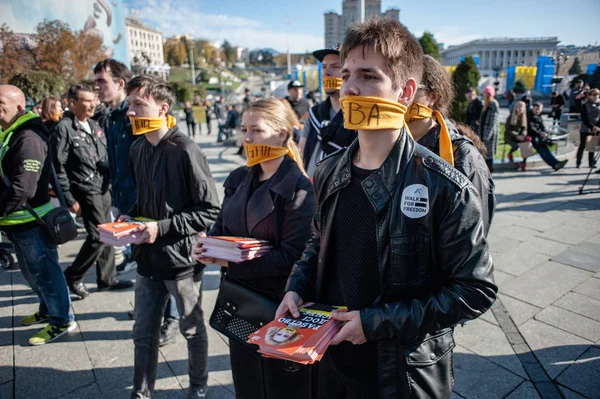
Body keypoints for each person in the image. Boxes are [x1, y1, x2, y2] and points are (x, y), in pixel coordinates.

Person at [277, 18, 496, 399]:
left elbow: (475, 290)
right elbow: (318, 239)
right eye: (345, 75)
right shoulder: (329, 170)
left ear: (405, 91)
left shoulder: (444, 184)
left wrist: (376, 323)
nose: (349, 88)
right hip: (329, 360)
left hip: (400, 376)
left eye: (367, 75)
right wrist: (296, 287)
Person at [192, 98, 316, 399]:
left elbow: (293, 257)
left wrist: (229, 262)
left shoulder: (300, 188)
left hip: (279, 306)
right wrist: (209, 246)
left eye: (256, 130)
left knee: (281, 389)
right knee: (247, 385)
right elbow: (222, 227)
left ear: (283, 135)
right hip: (239, 302)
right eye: (244, 129)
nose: (246, 138)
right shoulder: (237, 178)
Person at [123, 75, 221, 399]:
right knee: (143, 333)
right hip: (147, 259)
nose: (131, 111)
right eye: (129, 104)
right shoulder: (138, 148)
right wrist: (130, 219)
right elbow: (145, 200)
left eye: (139, 104)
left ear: (162, 108)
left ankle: (198, 387)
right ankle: (141, 393)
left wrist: (161, 228)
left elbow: (209, 210)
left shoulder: (186, 150)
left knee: (191, 330)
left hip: (180, 261)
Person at [94, 59, 177, 343]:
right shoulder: (113, 117)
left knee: (165, 259)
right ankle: (150, 306)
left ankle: (172, 317)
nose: (97, 87)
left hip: (146, 201)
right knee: (143, 259)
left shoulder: (135, 119)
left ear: (120, 83)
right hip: (125, 198)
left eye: (102, 81)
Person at [0, 85, 76, 345]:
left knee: (46, 272)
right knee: (32, 272)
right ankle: (47, 309)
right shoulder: (10, 133)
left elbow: (24, 187)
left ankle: (61, 320)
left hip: (31, 221)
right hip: (16, 221)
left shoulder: (29, 138)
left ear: (19, 107)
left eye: (0, 104)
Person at [52, 84, 130, 298]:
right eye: (88, 100)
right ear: (72, 103)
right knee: (98, 236)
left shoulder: (94, 124)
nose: (93, 103)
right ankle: (74, 275)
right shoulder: (64, 129)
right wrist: (68, 198)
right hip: (85, 190)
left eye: (93, 100)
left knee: (109, 233)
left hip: (103, 188)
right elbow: (57, 168)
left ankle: (107, 279)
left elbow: (101, 157)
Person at [406, 55, 495, 236]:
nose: (400, 95)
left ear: (433, 96)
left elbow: (474, 239)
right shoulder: (388, 145)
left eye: (408, 87)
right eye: (394, 85)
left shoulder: (464, 157)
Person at [299, 43, 357, 177]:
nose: (327, 72)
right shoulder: (314, 113)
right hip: (312, 188)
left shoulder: (359, 115)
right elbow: (300, 153)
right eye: (324, 67)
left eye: (335, 66)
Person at [527, 102, 568, 171]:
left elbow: (542, 126)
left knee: (546, 149)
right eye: (536, 109)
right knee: (541, 149)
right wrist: (540, 133)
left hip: (540, 135)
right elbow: (530, 127)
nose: (537, 111)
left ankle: (555, 163)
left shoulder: (539, 116)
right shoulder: (529, 115)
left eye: (539, 109)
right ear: (533, 108)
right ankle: (554, 164)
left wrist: (544, 133)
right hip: (533, 135)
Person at [577, 88, 600, 169]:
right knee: (582, 145)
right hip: (586, 127)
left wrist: (597, 126)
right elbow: (584, 118)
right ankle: (578, 161)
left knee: (592, 145)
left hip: (596, 128)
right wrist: (591, 126)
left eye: (597, 95)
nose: (595, 97)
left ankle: (591, 163)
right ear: (589, 96)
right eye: (593, 95)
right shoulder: (585, 105)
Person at [479, 85, 500, 172]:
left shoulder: (493, 104)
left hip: (489, 135)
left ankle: (489, 177)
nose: (484, 95)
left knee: (488, 156)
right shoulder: (486, 104)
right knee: (484, 155)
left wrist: (486, 136)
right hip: (483, 132)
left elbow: (493, 121)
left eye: (486, 93)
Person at [504, 101, 528, 168]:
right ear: (516, 108)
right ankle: (510, 153)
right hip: (510, 136)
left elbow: (525, 129)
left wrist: (523, 135)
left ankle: (523, 162)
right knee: (516, 146)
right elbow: (508, 130)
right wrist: (516, 136)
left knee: (526, 145)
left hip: (520, 137)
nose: (521, 109)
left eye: (522, 107)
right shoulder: (510, 117)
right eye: (519, 107)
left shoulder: (524, 118)